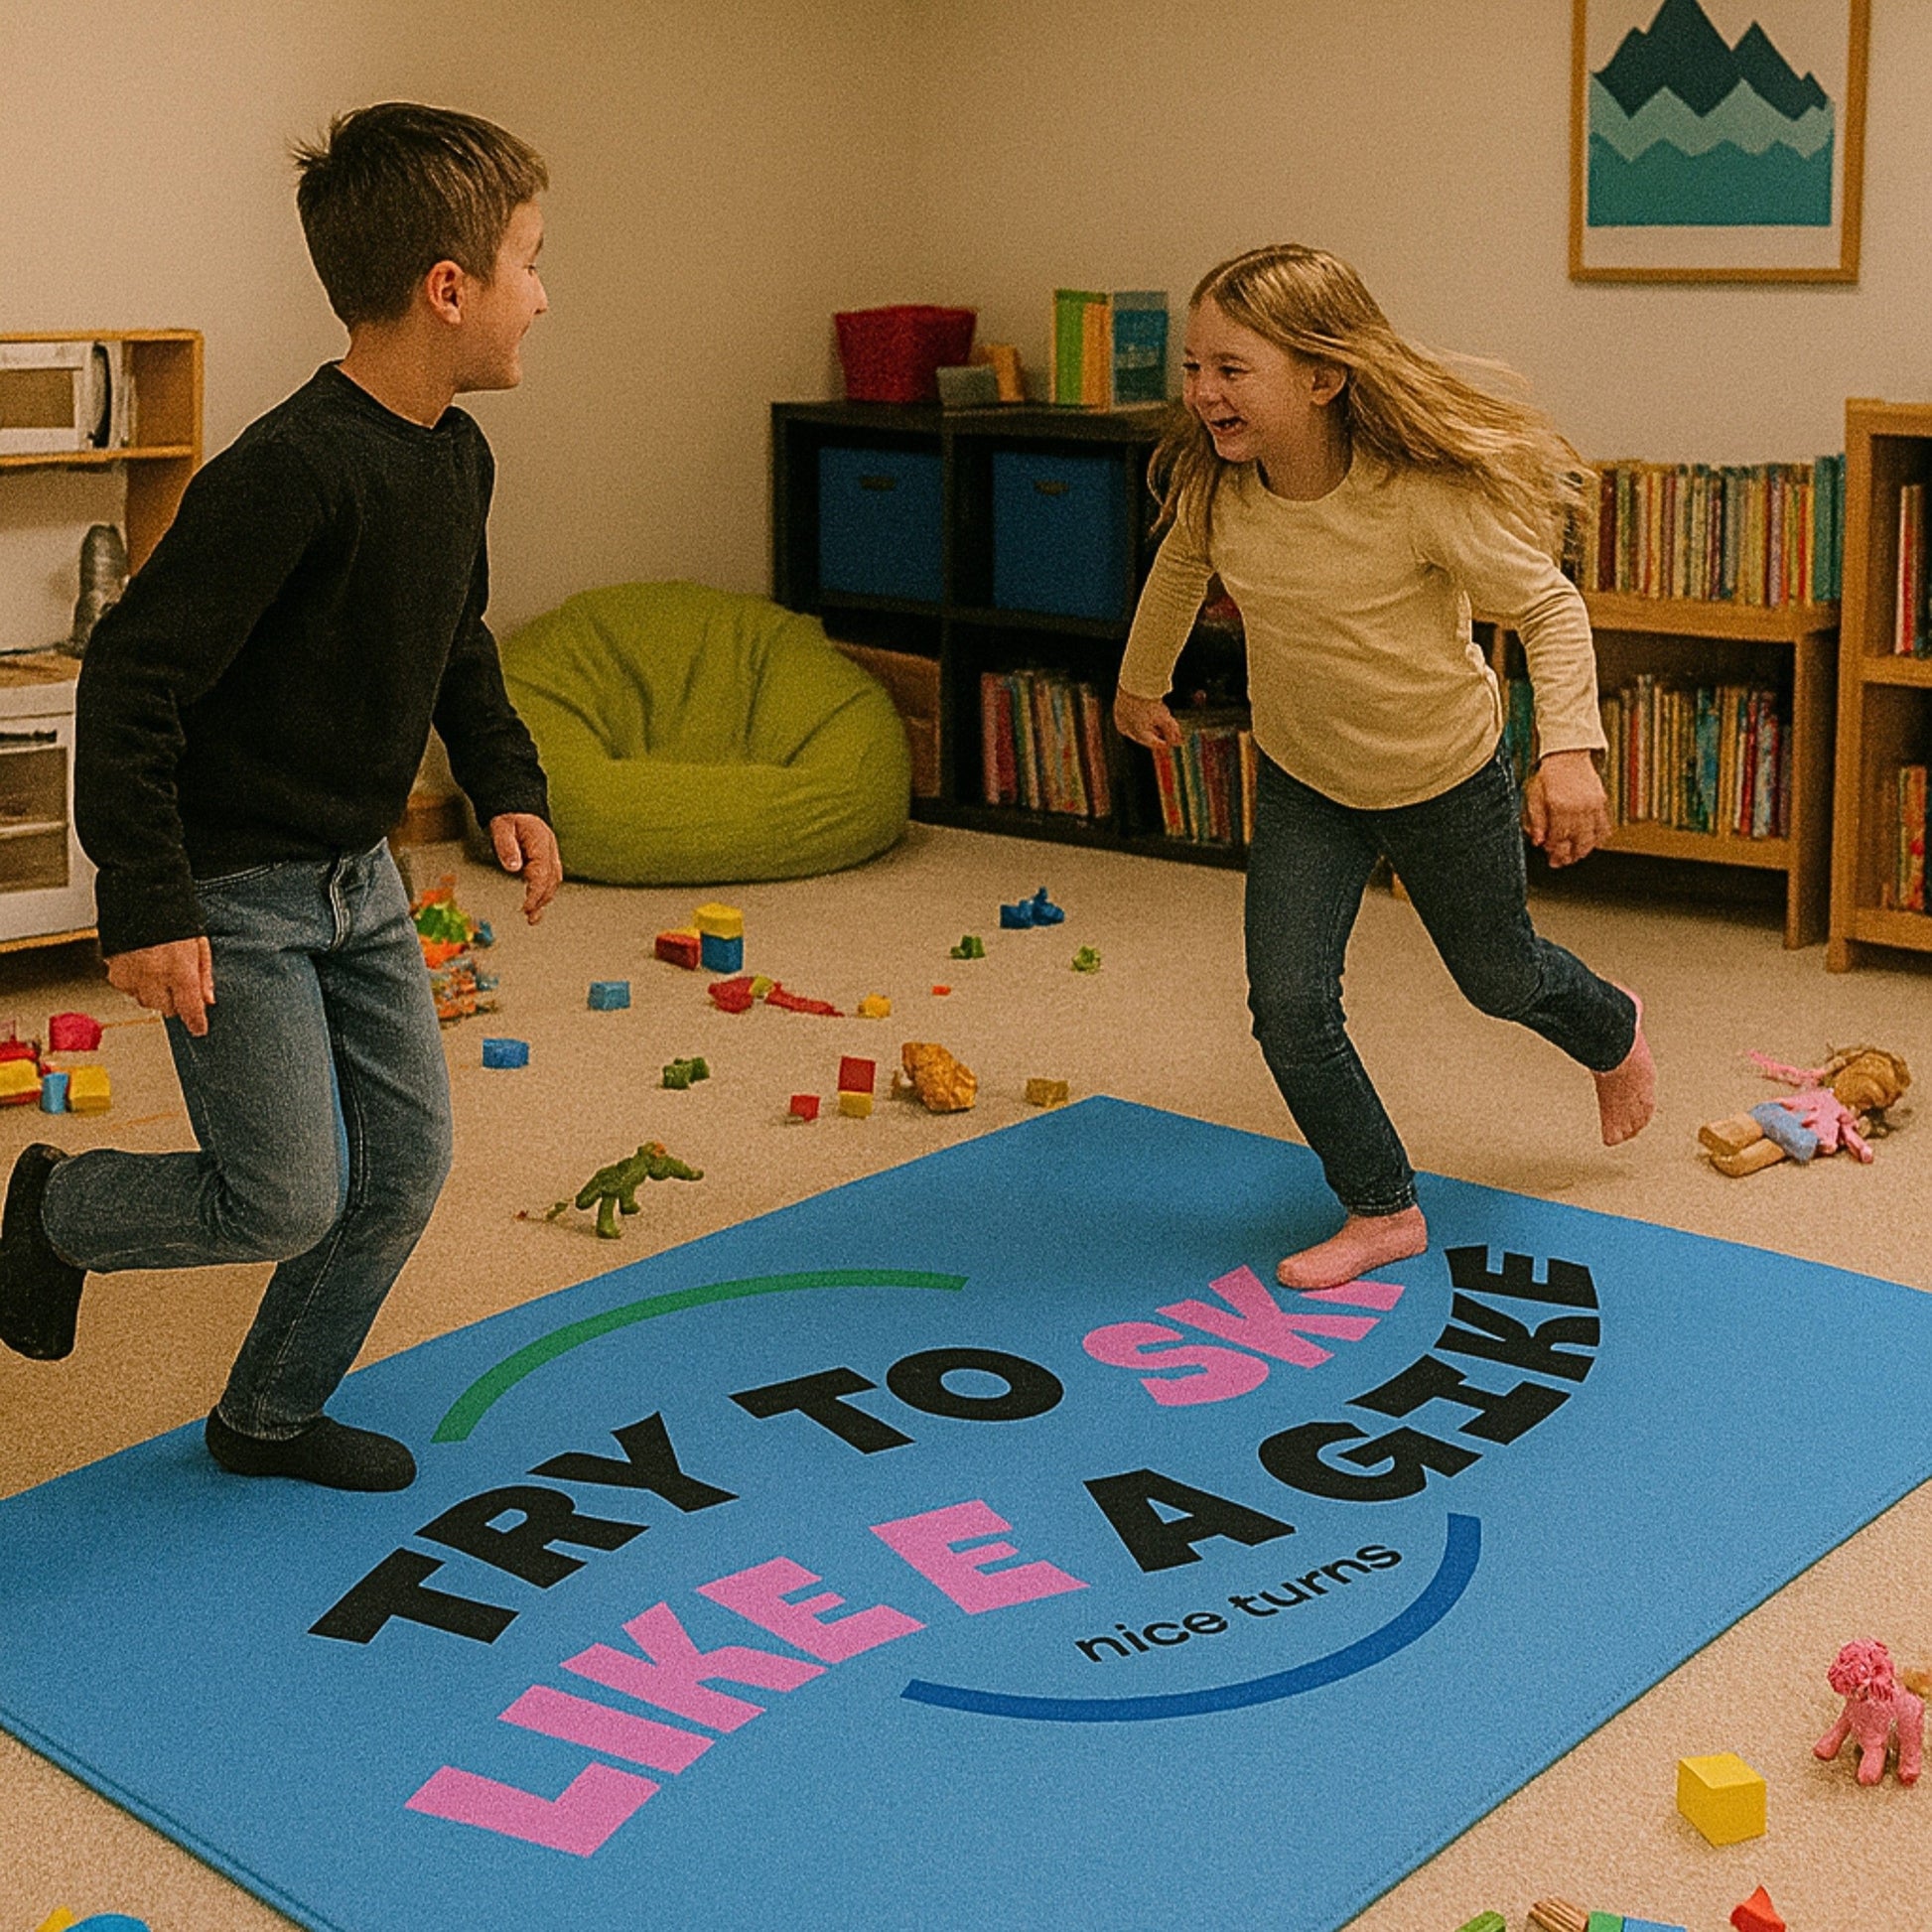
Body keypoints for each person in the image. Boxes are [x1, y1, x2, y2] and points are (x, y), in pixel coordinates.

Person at [0, 102, 563, 1490]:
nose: (542, 297)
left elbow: (457, 639)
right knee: (280, 1191)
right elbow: (130, 680)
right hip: (234, 893)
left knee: (402, 1164)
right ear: (450, 288)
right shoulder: (291, 470)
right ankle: (56, 1206)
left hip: (359, 881)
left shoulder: (455, 455)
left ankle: (266, 1414)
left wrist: (506, 780)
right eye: (530, 261)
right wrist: (147, 900)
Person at [1113, 243, 1653, 1293]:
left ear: (1321, 376)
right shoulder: (1218, 489)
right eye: (1193, 366)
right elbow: (1180, 566)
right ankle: (1380, 1203)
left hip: (1444, 777)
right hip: (1307, 781)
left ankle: (1609, 1023)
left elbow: (1546, 604)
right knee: (1287, 1004)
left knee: (1497, 978)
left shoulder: (1412, 495)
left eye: (1230, 367)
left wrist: (1570, 750)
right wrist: (1142, 682)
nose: (1201, 392)